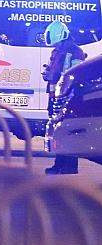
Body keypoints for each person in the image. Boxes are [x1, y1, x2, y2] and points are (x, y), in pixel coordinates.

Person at [42, 20, 86, 175]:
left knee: (67, 131)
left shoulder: (75, 52)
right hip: (56, 97)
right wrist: (48, 76)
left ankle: (69, 165)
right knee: (58, 132)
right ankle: (60, 164)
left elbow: (77, 74)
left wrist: (52, 75)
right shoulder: (56, 52)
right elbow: (53, 72)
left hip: (69, 97)